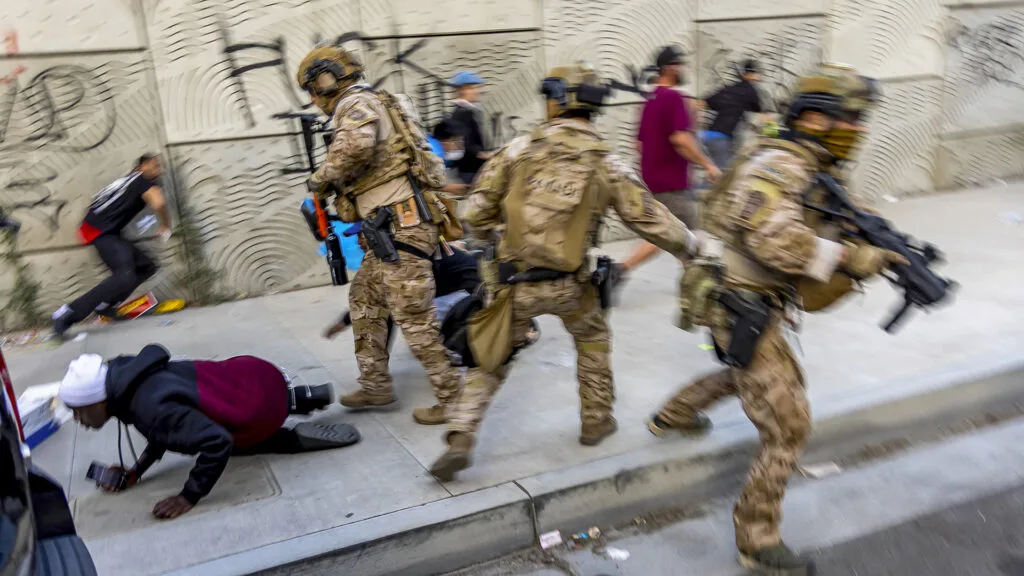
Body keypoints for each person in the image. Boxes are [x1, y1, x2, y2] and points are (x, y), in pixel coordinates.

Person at [649, 64, 907, 575]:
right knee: (789, 424)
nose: (860, 129)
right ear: (815, 117)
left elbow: (821, 215)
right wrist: (851, 260)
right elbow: (773, 237)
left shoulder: (810, 162)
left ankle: (673, 415)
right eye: (852, 119)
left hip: (749, 296)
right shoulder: (781, 163)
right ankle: (756, 538)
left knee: (752, 376)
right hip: (737, 299)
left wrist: (869, 237)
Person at [428, 63, 701, 482]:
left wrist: (489, 236)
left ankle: (462, 433)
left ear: (555, 101)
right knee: (592, 339)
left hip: (511, 281)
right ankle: (595, 421)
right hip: (571, 284)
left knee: (492, 355)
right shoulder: (605, 163)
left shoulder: (518, 150)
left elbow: (473, 212)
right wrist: (690, 247)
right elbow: (651, 220)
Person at [297, 42, 463, 425]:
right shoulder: (380, 100)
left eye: (311, 88)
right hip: (389, 230)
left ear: (325, 80)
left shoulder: (354, 105)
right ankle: (375, 384)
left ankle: (452, 398)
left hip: (401, 229)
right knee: (365, 298)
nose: (312, 98)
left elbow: (354, 149)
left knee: (413, 315)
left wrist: (319, 180)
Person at [58, 346, 359, 520]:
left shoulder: (149, 407)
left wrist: (189, 496)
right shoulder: (133, 381)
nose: (77, 418)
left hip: (257, 406)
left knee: (223, 442)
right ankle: (303, 396)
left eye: (78, 409)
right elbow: (162, 431)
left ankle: (288, 438)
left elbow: (217, 442)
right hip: (253, 374)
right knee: (211, 415)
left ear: (99, 400)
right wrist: (136, 472)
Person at [621, 45, 720, 275]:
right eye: (681, 64)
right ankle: (620, 270)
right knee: (686, 238)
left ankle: (694, 279)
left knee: (676, 237)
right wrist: (708, 165)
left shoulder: (649, 99)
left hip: (653, 179)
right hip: (673, 183)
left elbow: (638, 144)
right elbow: (681, 140)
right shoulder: (675, 98)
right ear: (671, 68)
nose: (684, 69)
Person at [52, 155, 172, 338]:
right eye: (155, 166)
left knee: (146, 266)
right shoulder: (140, 180)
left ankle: (106, 306)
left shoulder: (126, 181)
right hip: (99, 231)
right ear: (142, 166)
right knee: (125, 274)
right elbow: (159, 202)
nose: (160, 170)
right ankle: (66, 313)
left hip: (106, 231)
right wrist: (166, 225)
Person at [700, 59, 767, 170]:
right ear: (749, 74)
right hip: (722, 139)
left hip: (707, 136)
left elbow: (702, 103)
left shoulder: (729, 89)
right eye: (757, 73)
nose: (759, 77)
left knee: (712, 173)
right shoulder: (751, 91)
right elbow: (760, 114)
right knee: (722, 176)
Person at [448, 71, 493, 185]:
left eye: (476, 87)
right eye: (472, 88)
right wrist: (482, 154)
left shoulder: (468, 110)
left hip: (473, 168)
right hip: (470, 170)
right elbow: (463, 142)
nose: (476, 91)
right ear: (461, 91)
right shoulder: (461, 113)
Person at [428, 118, 471, 196]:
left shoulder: (439, 149)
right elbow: (423, 187)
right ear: (446, 141)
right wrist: (449, 188)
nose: (460, 147)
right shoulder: (433, 154)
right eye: (458, 142)